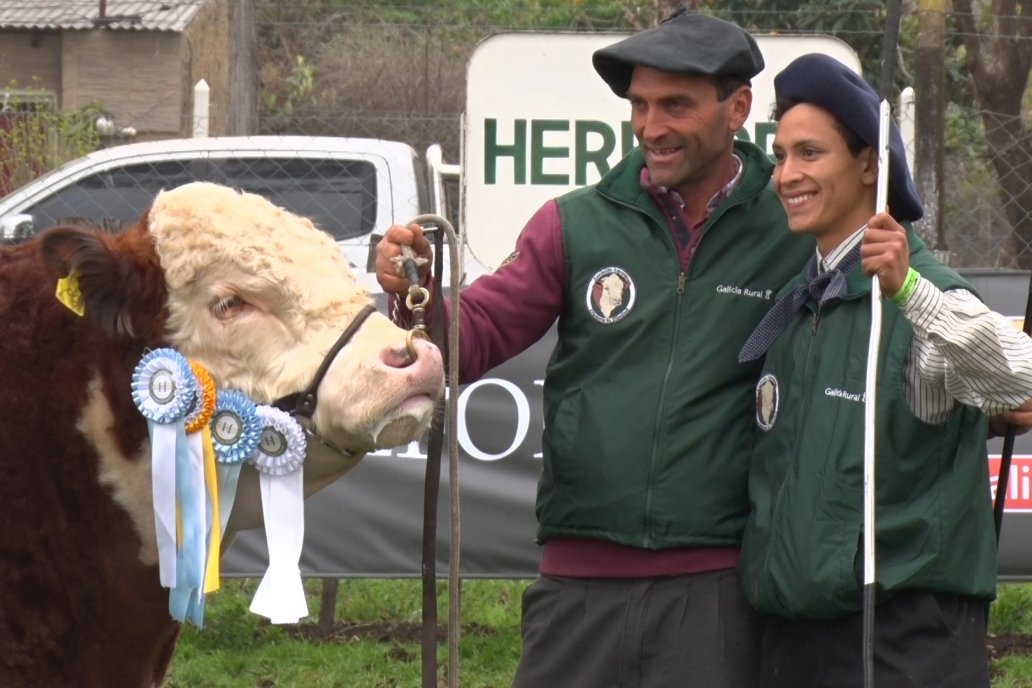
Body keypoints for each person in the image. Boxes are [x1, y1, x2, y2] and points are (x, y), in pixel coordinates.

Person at [376, 9, 815, 687]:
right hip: (576, 586)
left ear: (738, 109)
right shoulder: (575, 222)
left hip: (719, 588)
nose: (651, 127)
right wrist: (415, 294)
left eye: (676, 105)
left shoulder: (792, 226)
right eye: (639, 105)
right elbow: (470, 339)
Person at [736, 53, 1032, 688]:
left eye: (809, 153)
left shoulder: (919, 296)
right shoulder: (795, 302)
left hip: (900, 647)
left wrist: (908, 291)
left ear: (870, 164)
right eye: (782, 155)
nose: (787, 174)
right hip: (791, 644)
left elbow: (1022, 381)